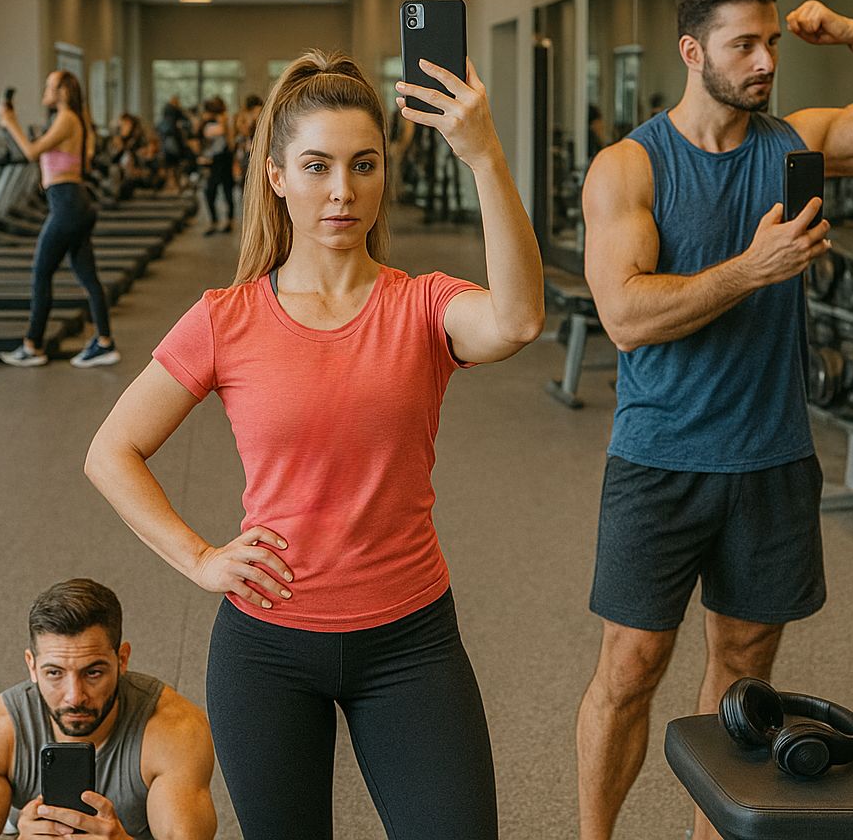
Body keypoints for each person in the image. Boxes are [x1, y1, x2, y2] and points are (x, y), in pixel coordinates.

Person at [85, 50, 545, 840]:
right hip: (267, 647)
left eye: (364, 165)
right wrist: (199, 558)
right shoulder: (225, 318)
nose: (342, 190)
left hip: (410, 638)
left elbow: (517, 321)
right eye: (317, 165)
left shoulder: (424, 305)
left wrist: (485, 155)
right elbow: (111, 452)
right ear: (275, 177)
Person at [578, 0, 853, 840]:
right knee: (631, 667)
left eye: (773, 43)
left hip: (771, 456)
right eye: (743, 45)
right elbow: (627, 316)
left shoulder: (797, 145)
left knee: (743, 674)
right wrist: (754, 269)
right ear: (692, 52)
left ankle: (707, 832)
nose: (764, 61)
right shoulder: (631, 165)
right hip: (659, 459)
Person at [0, 578, 218, 840]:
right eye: (54, 673)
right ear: (32, 666)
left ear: (122, 660)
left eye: (93, 672)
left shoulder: (175, 730)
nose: (74, 697)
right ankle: (17, 822)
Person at [0, 70, 118, 369]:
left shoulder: (66, 118)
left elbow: (30, 151)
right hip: (73, 202)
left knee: (41, 271)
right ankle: (104, 342)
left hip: (68, 204)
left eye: (50, 85)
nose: (45, 90)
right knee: (87, 276)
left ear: (63, 91)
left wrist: (9, 122)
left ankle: (33, 345)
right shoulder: (71, 118)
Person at [197, 97, 234, 235]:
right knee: (209, 191)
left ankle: (228, 221)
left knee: (227, 190)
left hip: (224, 159)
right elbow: (205, 134)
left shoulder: (223, 120)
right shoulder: (207, 122)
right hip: (212, 160)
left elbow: (223, 132)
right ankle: (214, 220)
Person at [232, 93, 263, 184]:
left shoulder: (259, 119)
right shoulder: (242, 117)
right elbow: (241, 131)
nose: (257, 115)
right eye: (255, 112)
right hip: (245, 151)